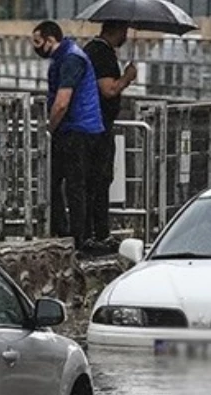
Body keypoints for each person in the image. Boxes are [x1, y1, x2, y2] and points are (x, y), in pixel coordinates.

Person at [32, 20, 105, 252]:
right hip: (78, 128)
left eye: (37, 41)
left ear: (50, 39)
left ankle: (75, 238)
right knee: (58, 182)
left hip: (77, 129)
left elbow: (62, 102)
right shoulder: (67, 56)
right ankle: (67, 232)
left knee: (73, 185)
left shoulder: (71, 59)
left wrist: (47, 129)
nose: (35, 47)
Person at [83, 21, 138, 253]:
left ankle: (95, 232)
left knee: (98, 180)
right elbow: (109, 89)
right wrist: (127, 77)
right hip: (98, 127)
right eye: (124, 31)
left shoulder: (93, 50)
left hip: (95, 125)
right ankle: (97, 233)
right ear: (119, 31)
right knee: (98, 180)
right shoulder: (101, 54)